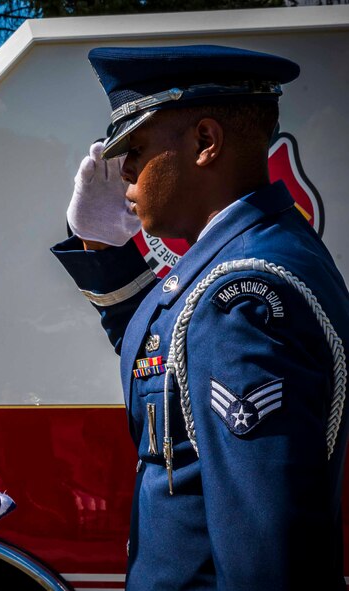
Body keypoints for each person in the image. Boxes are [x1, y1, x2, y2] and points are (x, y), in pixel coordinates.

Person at [50, 45, 349, 589]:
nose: (127, 175)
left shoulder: (241, 299)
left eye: (135, 150)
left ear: (205, 143)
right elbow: (170, 362)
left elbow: (264, 556)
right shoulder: (249, 259)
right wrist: (101, 248)